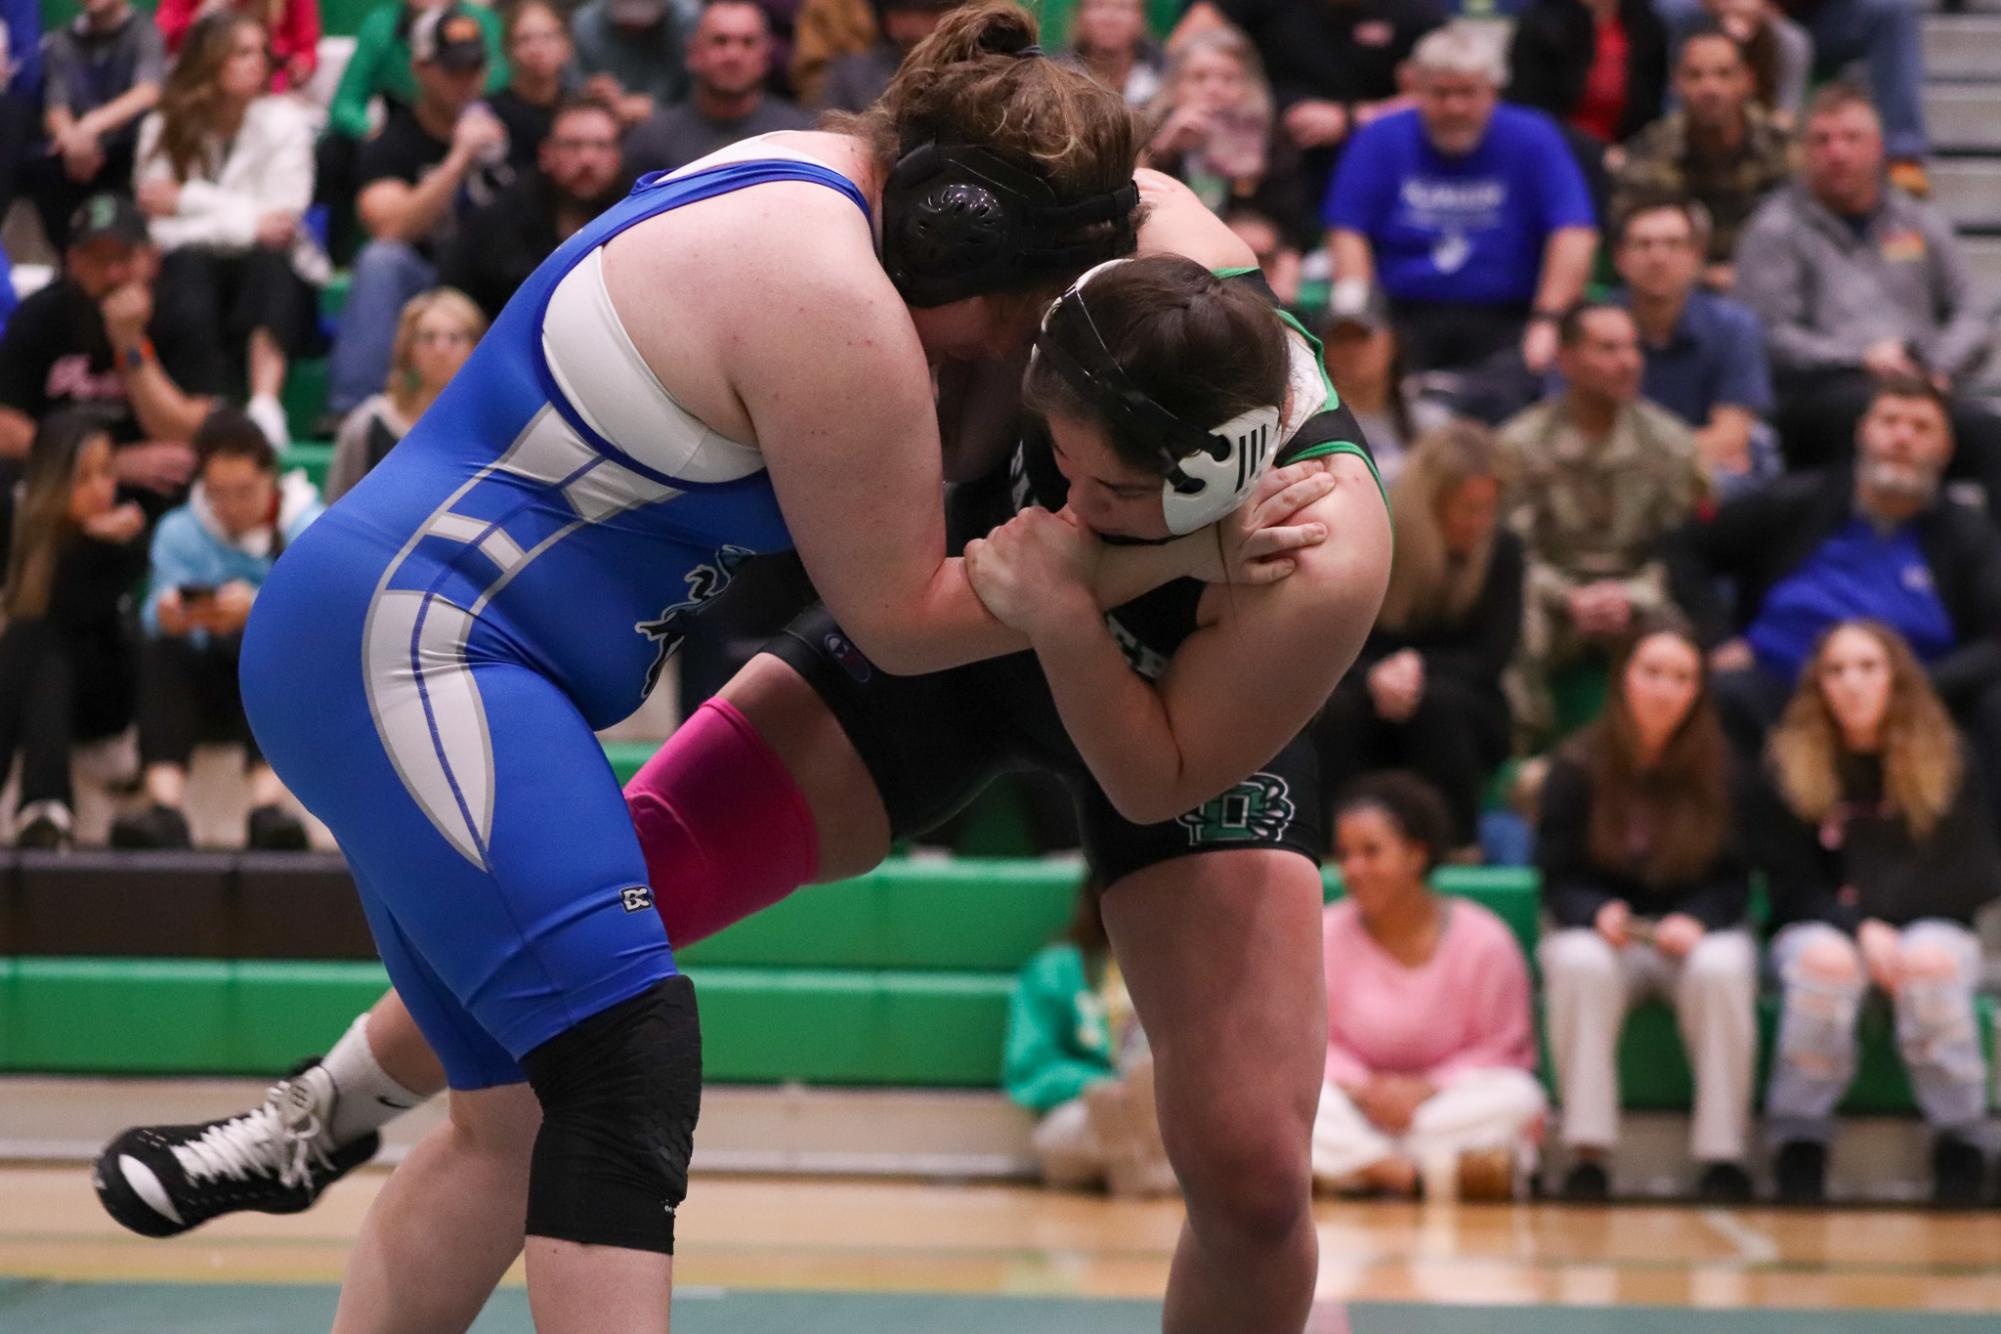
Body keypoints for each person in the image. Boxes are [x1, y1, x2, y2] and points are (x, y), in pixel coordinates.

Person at [96, 169, 1396, 1334]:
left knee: (1249, 1173)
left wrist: (1068, 598)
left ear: (1222, 472)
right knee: (595, 909)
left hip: (1167, 716)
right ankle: (318, 1113)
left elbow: (1151, 774)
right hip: (949, 638)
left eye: (1104, 493)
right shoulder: (1132, 241)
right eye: (1050, 456)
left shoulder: (1322, 553)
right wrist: (1140, 550)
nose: (1062, 493)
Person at [1662, 377, 2001, 802]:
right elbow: (1684, 546)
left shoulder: (1967, 532)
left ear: (1946, 448)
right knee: (1726, 692)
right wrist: (1718, 637)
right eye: (1890, 421)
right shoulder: (1799, 501)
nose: (1902, 437)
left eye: (1920, 427)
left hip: (1911, 713)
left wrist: (1918, 688)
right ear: (1863, 432)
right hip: (1784, 694)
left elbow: (1995, 640)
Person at [1755, 621, 1999, 1207]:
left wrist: (1880, 919)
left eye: (1868, 667)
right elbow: (1789, 886)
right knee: (1825, 963)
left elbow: (1968, 877)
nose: (1852, 683)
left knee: (1930, 963)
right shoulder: (1787, 763)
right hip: (1825, 928)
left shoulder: (1949, 756)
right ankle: (1800, 1141)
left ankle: (1963, 1138)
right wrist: (1859, 927)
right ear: (1818, 683)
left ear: (1896, 677)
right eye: (1836, 670)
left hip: (1929, 923)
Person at [1535, 618, 1760, 1203]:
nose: (1665, 689)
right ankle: (1587, 1153)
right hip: (1606, 934)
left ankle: (1723, 1155)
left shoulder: (1728, 770)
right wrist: (1594, 912)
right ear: (1624, 679)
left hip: (1691, 935)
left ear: (1698, 691)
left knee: (1724, 968)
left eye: (1681, 677)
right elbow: (1555, 875)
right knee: (1580, 963)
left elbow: (1737, 879)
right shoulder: (1576, 765)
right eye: (1652, 672)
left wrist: (1700, 920)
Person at [1735, 87, 2001, 500]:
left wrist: (1938, 367)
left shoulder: (1917, 219)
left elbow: (1973, 308)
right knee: (1860, 417)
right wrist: (1859, 357)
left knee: (1990, 434)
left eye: (1851, 138)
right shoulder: (1774, 229)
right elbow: (1768, 334)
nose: (1837, 152)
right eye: (1822, 140)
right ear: (1803, 152)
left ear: (1878, 148)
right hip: (1822, 395)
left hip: (1921, 385)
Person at [1326, 22, 1598, 422]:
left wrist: (1549, 319)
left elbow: (1574, 231)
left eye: (1468, 93)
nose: (1455, 107)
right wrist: (1360, 316)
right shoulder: (1379, 138)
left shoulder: (1534, 137)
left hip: (1509, 316)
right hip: (1405, 313)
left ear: (1493, 90)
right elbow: (1348, 231)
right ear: (1415, 90)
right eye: (1440, 93)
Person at [1312, 774, 1546, 1199]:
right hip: (1354, 1104)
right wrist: (1366, 1090)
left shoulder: (1484, 940)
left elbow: (1504, 1048)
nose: (1353, 870)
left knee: (1520, 1098)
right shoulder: (1323, 934)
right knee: (1292, 1103)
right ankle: (1413, 1176)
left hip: (1440, 1107)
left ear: (1417, 855)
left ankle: (1352, 1167)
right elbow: (1308, 1042)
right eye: (1345, 855)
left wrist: (1426, 1088)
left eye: (1371, 852)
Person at [111, 408, 323, 852]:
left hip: (277, 688)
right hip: (197, 683)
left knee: (262, 642)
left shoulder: (309, 527)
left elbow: (321, 617)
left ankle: (268, 809)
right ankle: (164, 808)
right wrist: (166, 612)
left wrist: (259, 610)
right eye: (217, 494)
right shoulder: (178, 532)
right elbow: (155, 612)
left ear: (270, 479)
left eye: (244, 492)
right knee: (160, 649)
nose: (229, 507)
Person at [1497, 301, 1705, 744]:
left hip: (1641, 590)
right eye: (1609, 349)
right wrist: (1569, 595)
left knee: (1689, 627)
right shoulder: (1520, 444)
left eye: (1633, 348)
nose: (1628, 362)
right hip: (1551, 593)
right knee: (1509, 615)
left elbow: (1686, 553)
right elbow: (1513, 551)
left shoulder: (1671, 444)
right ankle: (1523, 753)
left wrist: (1631, 594)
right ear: (1568, 359)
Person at [1316, 423, 1520, 853]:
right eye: (1467, 508)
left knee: (1437, 706)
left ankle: (1459, 849)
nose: (1480, 522)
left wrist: (1413, 669)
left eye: (1489, 508)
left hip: (1464, 697)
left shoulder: (1504, 550)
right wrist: (1376, 675)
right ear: (1430, 503)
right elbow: (1333, 638)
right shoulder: (1373, 536)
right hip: (1365, 682)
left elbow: (1490, 658)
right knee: (1335, 709)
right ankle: (1329, 846)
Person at [132, 12, 327, 451]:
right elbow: (156, 232)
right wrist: (245, 221)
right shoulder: (161, 126)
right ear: (210, 60)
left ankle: (264, 405)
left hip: (273, 275)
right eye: (242, 52)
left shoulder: (286, 121)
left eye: (262, 52)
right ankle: (208, 409)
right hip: (192, 275)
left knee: (269, 263)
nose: (259, 62)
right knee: (186, 266)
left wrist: (186, 200)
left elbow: (282, 220)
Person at [323, 6, 514, 422]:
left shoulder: (512, 129)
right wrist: (458, 160)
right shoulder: (392, 141)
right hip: (424, 282)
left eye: (475, 67)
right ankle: (355, 414)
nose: (466, 81)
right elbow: (389, 227)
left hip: (496, 282)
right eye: (453, 69)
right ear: (421, 69)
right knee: (379, 261)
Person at [0, 411, 147, 848]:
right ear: (52, 481)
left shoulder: (125, 541)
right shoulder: (17, 529)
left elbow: (71, 614)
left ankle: (46, 802)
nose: (103, 489)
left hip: (107, 696)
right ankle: (45, 810)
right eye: (84, 478)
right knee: (34, 646)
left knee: (32, 636)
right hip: (43, 690)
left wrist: (89, 541)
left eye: (107, 472)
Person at [0, 195, 203, 498]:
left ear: (151, 258)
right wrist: (105, 465)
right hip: (60, 482)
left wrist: (130, 343)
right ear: (72, 261)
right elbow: (6, 425)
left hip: (154, 484)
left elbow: (186, 430)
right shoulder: (39, 315)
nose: (113, 275)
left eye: (124, 258)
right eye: (98, 259)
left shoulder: (181, 313)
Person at [1195, 0, 1444, 240]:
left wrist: (1350, 117)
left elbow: (1445, 92)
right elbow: (1186, 47)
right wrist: (1251, 106)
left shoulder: (1417, 11)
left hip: (1367, 145)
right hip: (1265, 145)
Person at [1003, 870, 1174, 1197]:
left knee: (1161, 1096)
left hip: (1169, 1103)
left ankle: (1143, 1149)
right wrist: (1090, 1084)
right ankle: (1139, 1156)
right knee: (1084, 1122)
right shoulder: (1055, 969)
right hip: (1084, 1108)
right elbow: (1029, 1067)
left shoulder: (1188, 966)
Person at [1655, 0, 1929, 190]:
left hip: (1820, 17)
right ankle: (1667, 142)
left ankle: (1901, 153)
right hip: (1724, 13)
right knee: (1666, 9)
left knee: (1891, 8)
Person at [1612, 197, 1777, 496]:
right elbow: (1581, 436)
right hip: (1616, 476)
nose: (1658, 257)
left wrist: (1634, 459)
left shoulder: (1735, 326)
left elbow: (1731, 438)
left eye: (1673, 244)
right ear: (1619, 258)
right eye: (1643, 245)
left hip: (1700, 472)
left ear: (1696, 256)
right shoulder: (1593, 330)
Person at [1611, 24, 1795, 287]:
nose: (1710, 88)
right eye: (1695, 76)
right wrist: (1706, 277)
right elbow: (1630, 242)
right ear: (1676, 83)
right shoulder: (1651, 150)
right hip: (1680, 291)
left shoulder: (1784, 148)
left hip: (1772, 286)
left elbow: (1810, 234)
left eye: (1723, 74)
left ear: (1747, 81)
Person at [440, 97, 627, 323]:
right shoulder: (499, 220)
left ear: (618, 156)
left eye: (601, 145)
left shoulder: (641, 221)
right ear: (546, 154)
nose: (587, 159)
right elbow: (454, 301)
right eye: (572, 145)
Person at [1141, 26, 1305, 250]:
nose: (1214, 89)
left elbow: (1287, 221)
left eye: (1229, 79)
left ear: (1248, 87)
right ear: (1175, 86)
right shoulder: (1145, 130)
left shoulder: (1270, 138)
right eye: (1199, 78)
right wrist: (1164, 149)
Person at [325, 288, 486, 502]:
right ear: (408, 349)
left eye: (454, 338)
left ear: (476, 347)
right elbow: (337, 508)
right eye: (428, 337)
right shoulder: (369, 423)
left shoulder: (492, 426)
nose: (441, 349)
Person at [621, 0, 813, 177]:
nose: (733, 55)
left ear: (765, 56)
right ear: (693, 52)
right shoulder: (651, 142)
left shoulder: (798, 136)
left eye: (748, 43)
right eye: (720, 41)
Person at [31, 0, 165, 250]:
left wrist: (90, 127)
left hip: (126, 143)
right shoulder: (62, 39)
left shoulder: (146, 31)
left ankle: (132, 256)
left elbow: (149, 92)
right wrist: (72, 139)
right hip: (77, 151)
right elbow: (55, 107)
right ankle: (71, 260)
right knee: (40, 165)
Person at [324, 0, 507, 144]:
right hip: (404, 133)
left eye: (470, 70)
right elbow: (345, 104)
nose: (462, 79)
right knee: (334, 148)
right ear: (419, 68)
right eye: (452, 71)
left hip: (475, 125)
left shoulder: (486, 23)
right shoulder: (381, 26)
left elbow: (506, 89)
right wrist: (376, 136)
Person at [1505, 0, 1669, 150]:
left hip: (1626, 156)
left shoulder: (1647, 25)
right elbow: (1531, 111)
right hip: (1555, 149)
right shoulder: (1542, 23)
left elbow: (1649, 111)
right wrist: (1596, 153)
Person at [815, 0, 963, 112]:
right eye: (901, 14)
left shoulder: (968, 70)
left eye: (924, 15)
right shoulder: (851, 75)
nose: (911, 25)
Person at [487, 0, 578, 173]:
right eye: (524, 39)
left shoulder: (578, 110)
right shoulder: (490, 114)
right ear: (508, 50)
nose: (537, 49)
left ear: (567, 46)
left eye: (548, 37)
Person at [571, 0, 691, 130]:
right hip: (606, 122)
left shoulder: (687, 22)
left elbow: (698, 91)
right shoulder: (587, 24)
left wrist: (661, 108)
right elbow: (573, 82)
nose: (633, 28)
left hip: (674, 121)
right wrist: (590, 90)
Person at [155, 0, 322, 92]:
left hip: (268, 90)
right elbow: (162, 37)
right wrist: (206, 13)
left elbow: (306, 50)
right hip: (199, 85)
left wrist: (300, 66)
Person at [1065, 0, 1162, 109]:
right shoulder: (1058, 76)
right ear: (1079, 16)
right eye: (1098, 5)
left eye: (1123, 7)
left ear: (1142, 18)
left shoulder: (1167, 78)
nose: (1110, 19)